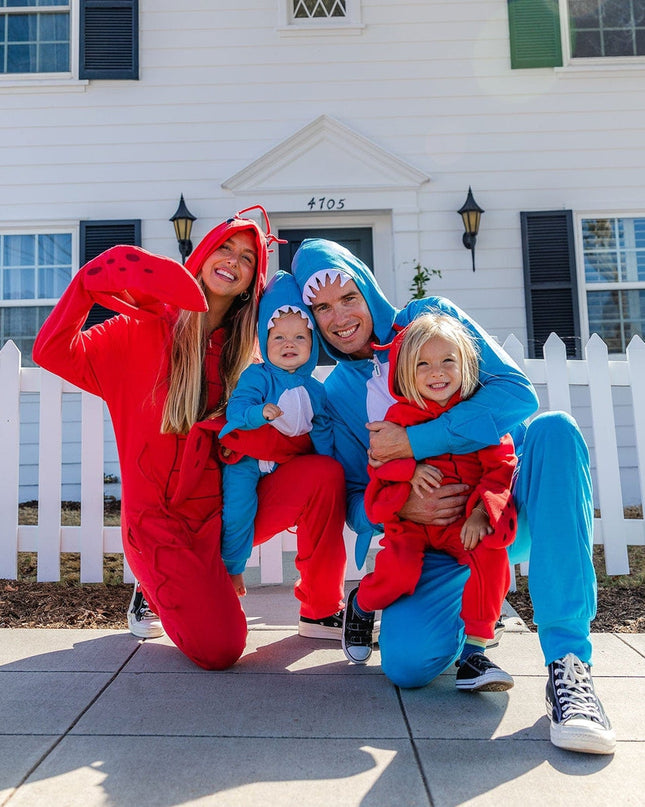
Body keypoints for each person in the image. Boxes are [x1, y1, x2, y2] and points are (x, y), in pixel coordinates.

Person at [291, 237, 615, 755]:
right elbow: (354, 498)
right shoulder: (338, 395)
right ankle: (464, 612)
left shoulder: (431, 319)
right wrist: (401, 503)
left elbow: (516, 394)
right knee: (406, 665)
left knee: (554, 429)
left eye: (347, 296)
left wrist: (416, 441)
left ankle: (568, 667)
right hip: (433, 543)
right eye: (321, 307)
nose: (339, 317)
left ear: (367, 288)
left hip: (500, 510)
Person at [32, 208, 346, 670]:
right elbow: (51, 351)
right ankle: (156, 586)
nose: (233, 261)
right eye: (225, 247)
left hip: (221, 512)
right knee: (221, 649)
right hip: (161, 524)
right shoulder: (139, 330)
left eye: (246, 258)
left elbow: (269, 442)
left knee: (323, 473)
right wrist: (85, 285)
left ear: (250, 281)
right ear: (200, 256)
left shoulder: (249, 359)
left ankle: (321, 610)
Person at [343, 313, 517, 693]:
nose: (436, 372)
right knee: (400, 575)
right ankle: (362, 604)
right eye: (423, 364)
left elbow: (501, 465)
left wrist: (478, 513)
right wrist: (408, 472)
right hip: (412, 528)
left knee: (490, 551)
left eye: (447, 361)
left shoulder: (476, 416)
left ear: (466, 365)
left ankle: (475, 651)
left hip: (459, 525)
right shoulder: (398, 418)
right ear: (406, 372)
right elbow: (379, 463)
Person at [218, 269, 338, 602]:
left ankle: (320, 596)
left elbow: (323, 428)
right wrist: (260, 412)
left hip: (286, 463)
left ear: (313, 344)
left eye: (300, 337)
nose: (289, 344)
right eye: (278, 338)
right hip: (247, 459)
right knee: (239, 508)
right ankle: (232, 567)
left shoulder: (316, 390)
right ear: (263, 341)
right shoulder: (257, 376)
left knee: (319, 483)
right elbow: (237, 411)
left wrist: (327, 459)